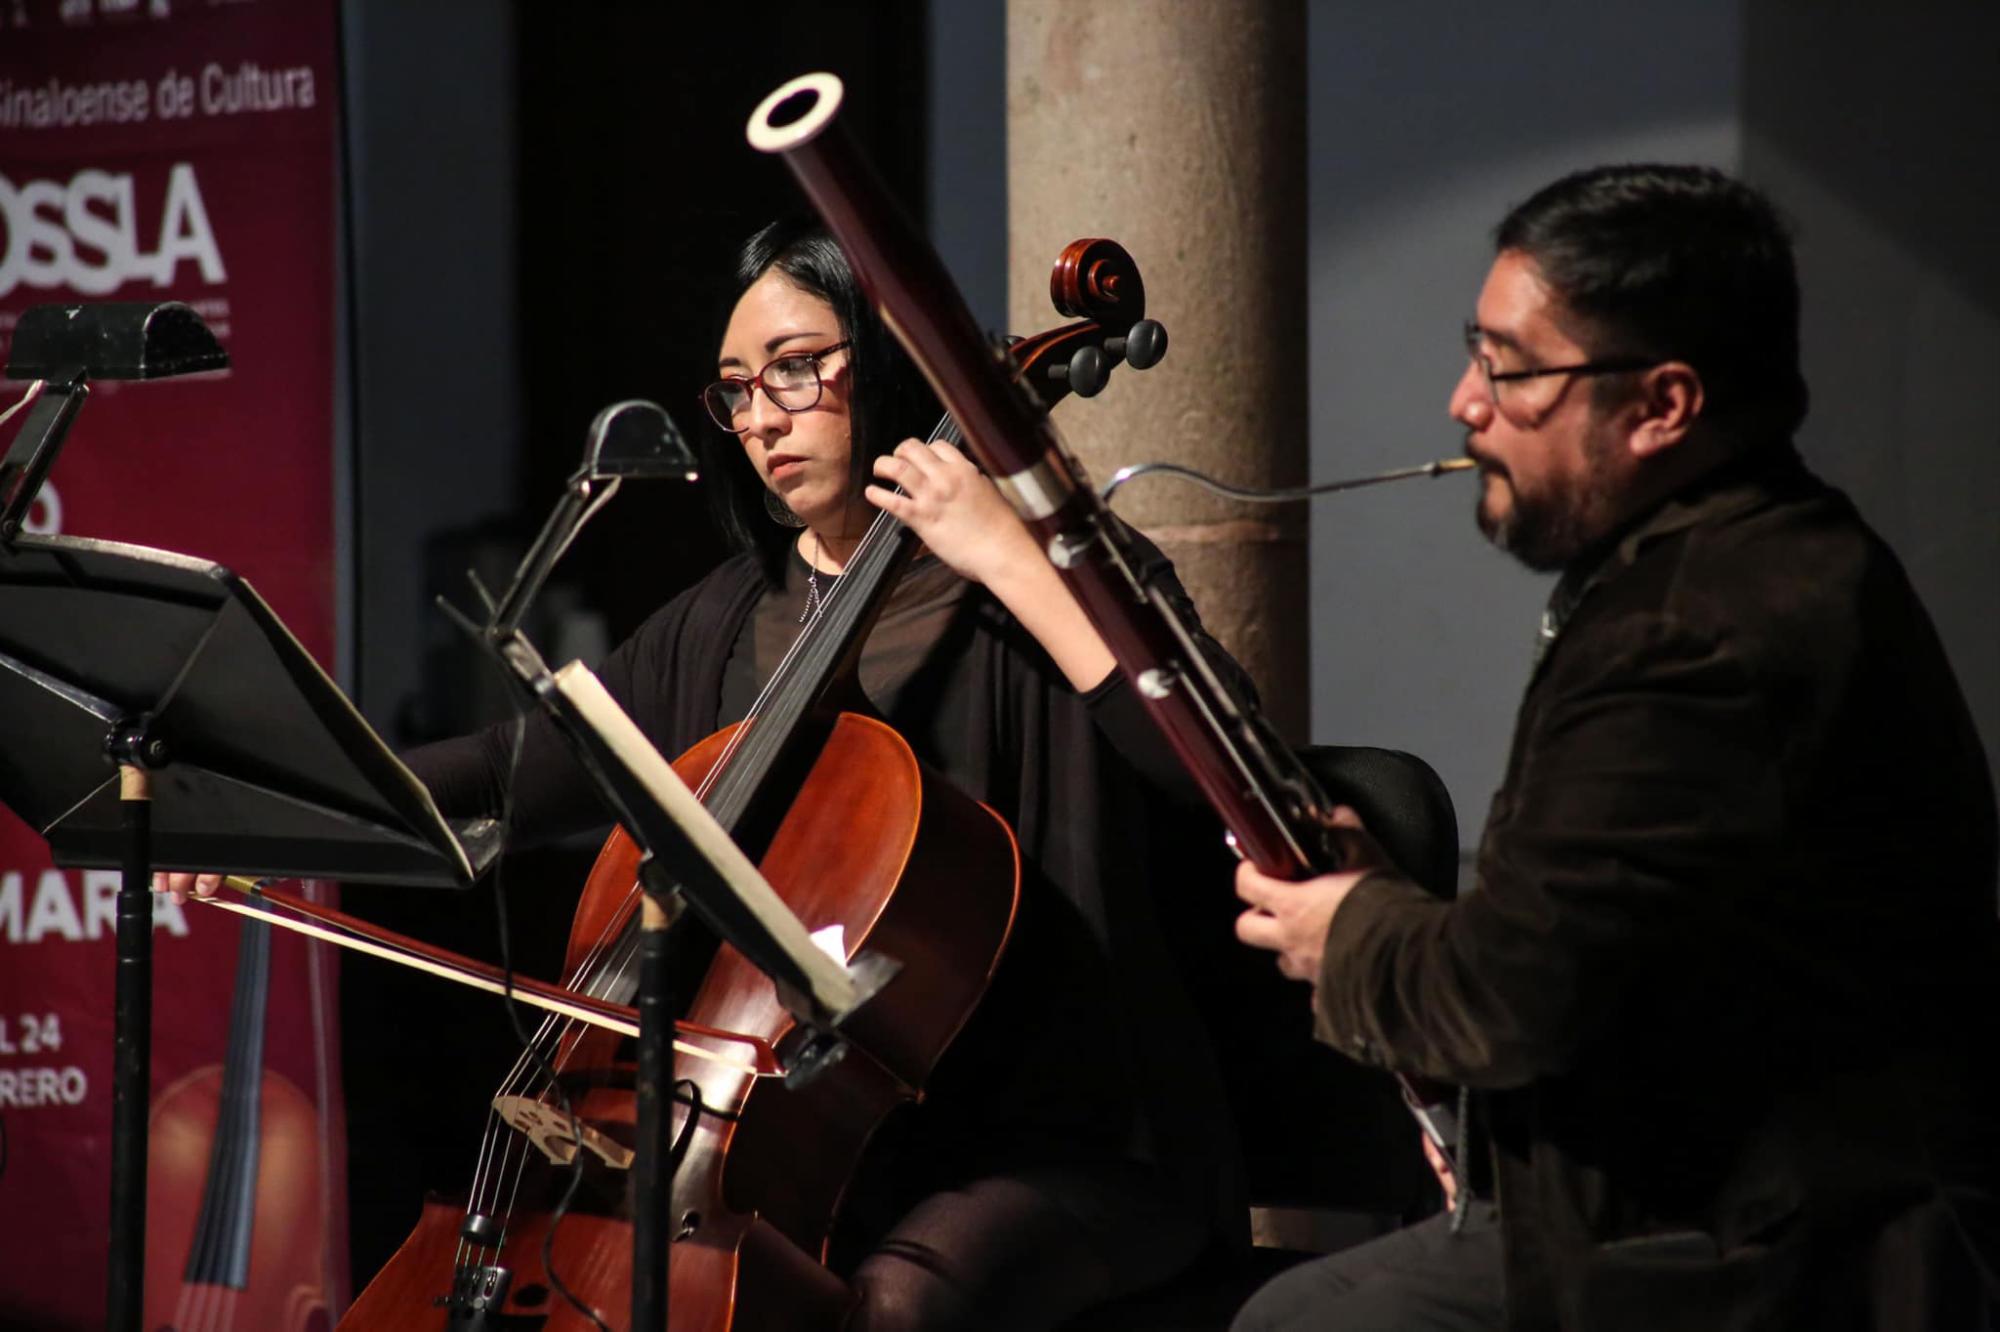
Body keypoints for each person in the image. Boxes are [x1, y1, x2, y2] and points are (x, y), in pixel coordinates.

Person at [164, 219, 1245, 1330]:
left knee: (887, 1312)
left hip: (1054, 1140)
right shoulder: (723, 622)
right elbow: (505, 771)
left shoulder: (1044, 570)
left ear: (880, 361)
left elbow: (1211, 768)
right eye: (734, 389)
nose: (760, 416)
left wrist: (1011, 552)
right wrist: (275, 805)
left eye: (793, 368)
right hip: (800, 1143)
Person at [1231, 164, 2000, 1330]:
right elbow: (1611, 950)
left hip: (1768, 1259)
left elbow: (1506, 996)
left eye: (1509, 368)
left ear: (1660, 406)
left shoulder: (1701, 633)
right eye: (1472, 352)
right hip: (1701, 1205)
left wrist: (1350, 934)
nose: (1463, 402)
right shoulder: (1748, 558)